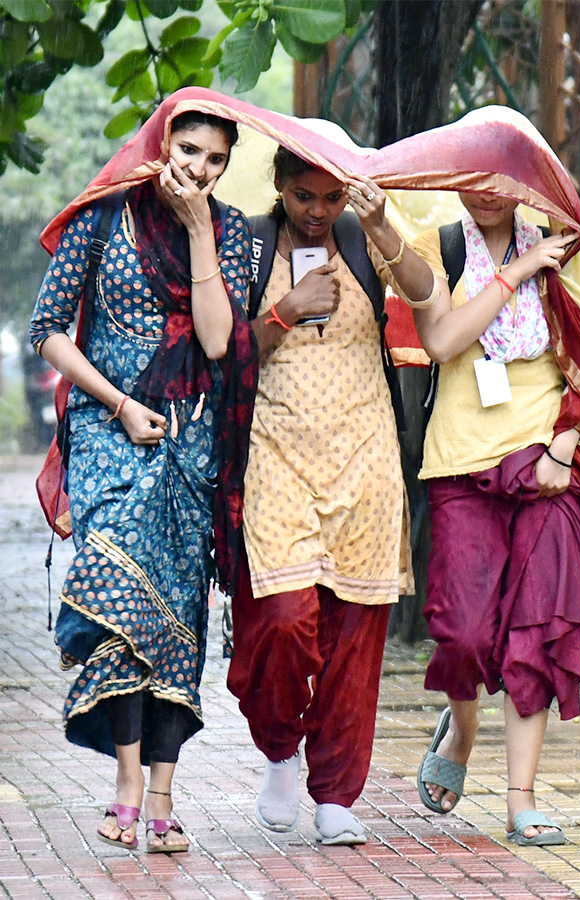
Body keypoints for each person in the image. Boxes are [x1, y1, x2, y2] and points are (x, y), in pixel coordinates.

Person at [30, 94, 256, 853]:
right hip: (106, 431)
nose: (199, 168)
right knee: (113, 590)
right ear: (162, 144)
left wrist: (198, 234)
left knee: (176, 621)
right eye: (188, 150)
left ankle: (161, 795)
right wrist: (119, 402)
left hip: (192, 446)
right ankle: (126, 783)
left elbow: (221, 343)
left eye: (216, 159)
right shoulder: (102, 218)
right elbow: (48, 331)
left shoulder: (229, 235)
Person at [226, 145, 442, 845]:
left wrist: (380, 225)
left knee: (355, 638)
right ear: (280, 189)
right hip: (276, 459)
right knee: (283, 622)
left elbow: (422, 291)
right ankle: (280, 750)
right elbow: (220, 356)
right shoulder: (249, 246)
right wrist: (284, 312)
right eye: (304, 198)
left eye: (331, 198)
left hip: (365, 459)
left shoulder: (358, 234)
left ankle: (337, 797)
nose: (318, 213)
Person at [410, 181, 580, 845]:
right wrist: (516, 272)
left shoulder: (565, 244)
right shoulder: (440, 243)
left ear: (521, 184)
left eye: (499, 185)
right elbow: (443, 341)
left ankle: (521, 797)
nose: (486, 196)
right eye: (471, 184)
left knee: (537, 633)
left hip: (543, 458)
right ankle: (464, 727)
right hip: (460, 460)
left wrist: (565, 445)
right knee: (466, 636)